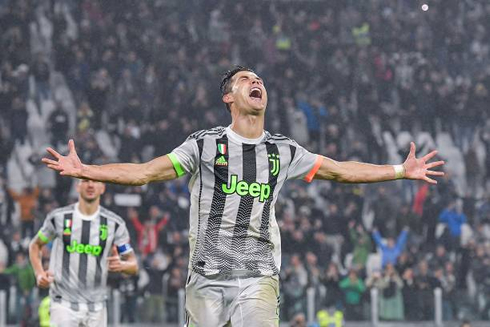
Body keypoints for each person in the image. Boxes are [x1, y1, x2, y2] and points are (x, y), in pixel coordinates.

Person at [41, 66, 445, 326]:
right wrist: (86, 168)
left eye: (260, 80)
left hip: (258, 275)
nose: (257, 83)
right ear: (228, 97)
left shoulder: (284, 150)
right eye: (246, 80)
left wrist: (398, 171)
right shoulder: (203, 145)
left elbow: (340, 170)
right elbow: (145, 173)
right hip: (207, 277)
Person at [29, 179, 138, 327]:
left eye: (95, 181)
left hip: (97, 306)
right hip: (63, 303)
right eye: (85, 180)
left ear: (103, 188)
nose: (91, 185)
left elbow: (133, 265)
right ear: (77, 186)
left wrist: (123, 265)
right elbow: (35, 245)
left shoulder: (115, 224)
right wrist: (39, 273)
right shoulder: (59, 218)